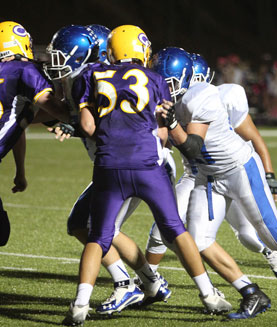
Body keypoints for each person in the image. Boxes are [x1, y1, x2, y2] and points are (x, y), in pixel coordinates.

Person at [62, 25, 231, 326]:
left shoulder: (92, 76)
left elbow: (88, 127)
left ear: (112, 51)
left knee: (98, 236)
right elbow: (164, 134)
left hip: (109, 166)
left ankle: (80, 304)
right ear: (141, 51)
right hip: (147, 165)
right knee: (175, 230)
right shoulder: (155, 79)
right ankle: (209, 295)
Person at [153, 47, 277, 319]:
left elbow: (192, 146)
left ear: (184, 78)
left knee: (274, 236)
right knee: (198, 240)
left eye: (167, 84)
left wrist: (170, 123)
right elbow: (164, 140)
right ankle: (251, 293)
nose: (162, 90)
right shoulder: (169, 102)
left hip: (238, 170)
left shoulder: (201, 96)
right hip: (206, 176)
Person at [45, 24, 168, 316]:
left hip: (133, 162)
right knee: (79, 223)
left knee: (102, 229)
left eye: (62, 55)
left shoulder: (95, 78)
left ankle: (126, 284)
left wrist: (72, 125)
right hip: (122, 162)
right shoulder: (86, 77)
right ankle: (152, 283)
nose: (56, 61)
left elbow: (105, 125)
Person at [144, 52, 277, 281]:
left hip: (227, 171)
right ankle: (148, 279)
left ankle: (268, 251)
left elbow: (254, 140)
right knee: (161, 229)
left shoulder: (218, 100)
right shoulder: (172, 105)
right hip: (194, 176)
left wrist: (269, 175)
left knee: (247, 235)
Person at [0, 21, 70, 247]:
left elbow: (19, 122)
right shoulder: (23, 69)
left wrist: (20, 171)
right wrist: (79, 117)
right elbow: (50, 105)